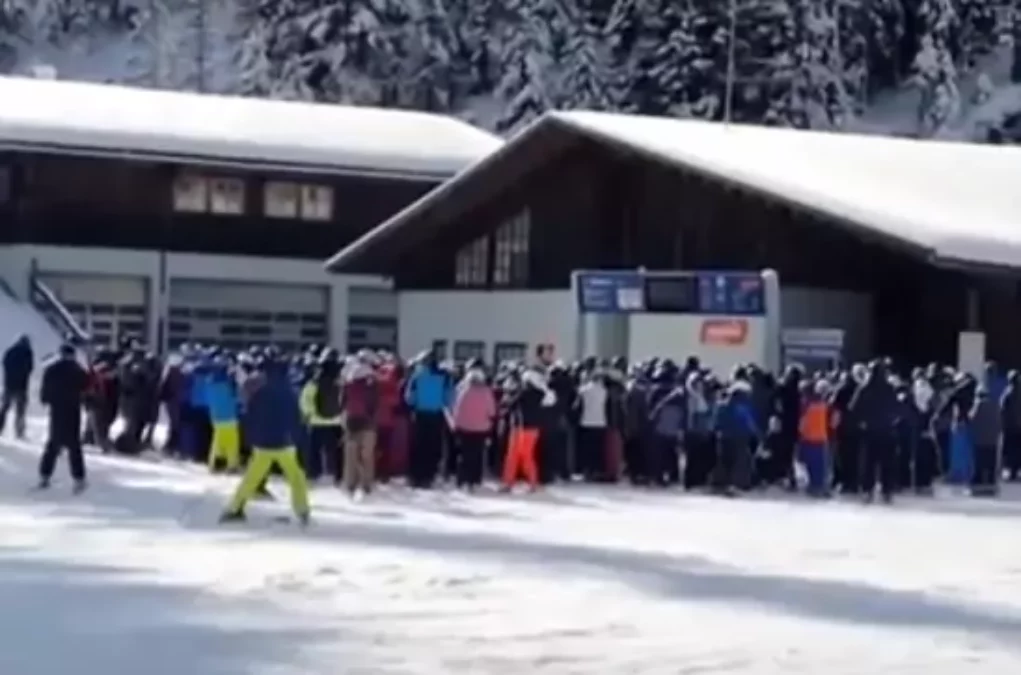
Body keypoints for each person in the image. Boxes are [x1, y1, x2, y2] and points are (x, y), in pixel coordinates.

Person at [221, 350, 310, 525]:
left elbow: (250, 414)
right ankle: (302, 510)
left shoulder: (258, 388)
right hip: (284, 443)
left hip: (262, 442)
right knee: (296, 477)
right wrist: (297, 437)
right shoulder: (289, 390)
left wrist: (251, 437)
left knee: (252, 477)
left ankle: (235, 507)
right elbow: (295, 417)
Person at [37, 343, 89, 492]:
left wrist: (47, 399)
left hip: (57, 411)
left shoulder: (51, 369)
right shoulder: (78, 370)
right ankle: (78, 478)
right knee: (74, 445)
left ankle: (44, 475)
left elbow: (45, 393)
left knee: (53, 443)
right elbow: (86, 385)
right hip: (72, 411)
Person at [451, 364, 497, 490]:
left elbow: (457, 410)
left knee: (464, 454)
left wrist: (456, 425)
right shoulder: (487, 391)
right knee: (478, 454)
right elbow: (492, 411)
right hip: (481, 428)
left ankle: (462, 478)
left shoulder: (463, 391)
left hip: (464, 427)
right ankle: (475, 479)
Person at [340, 354, 380, 498]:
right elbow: (375, 404)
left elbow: (342, 403)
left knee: (351, 456)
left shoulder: (348, 382)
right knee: (367, 456)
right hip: (368, 423)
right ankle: (367, 485)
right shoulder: (373, 383)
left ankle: (350, 485)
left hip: (351, 421)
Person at [204, 359, 241, 473]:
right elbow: (237, 399)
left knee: (217, 441)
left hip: (216, 416)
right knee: (232, 443)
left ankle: (214, 463)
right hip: (230, 416)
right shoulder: (230, 384)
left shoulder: (209, 382)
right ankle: (231, 465)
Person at [1, 334, 33, 439]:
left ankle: (0, 427)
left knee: (5, 408)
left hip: (9, 385)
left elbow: (4, 363)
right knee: (20, 411)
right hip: (21, 386)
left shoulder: (11, 351)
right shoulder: (28, 353)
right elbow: (29, 368)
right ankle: (19, 431)